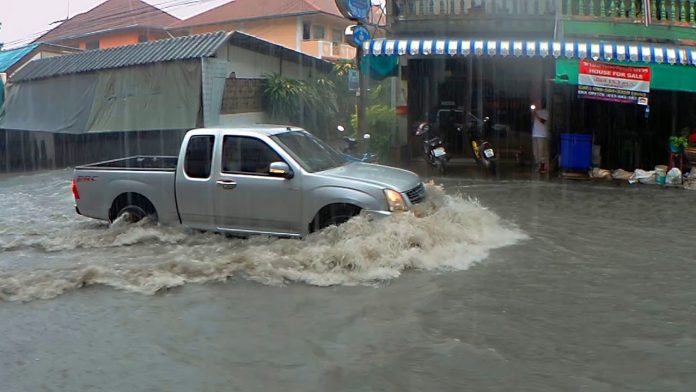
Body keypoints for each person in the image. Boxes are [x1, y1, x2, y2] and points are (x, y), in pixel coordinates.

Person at [532, 104, 550, 173]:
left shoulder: (545, 112)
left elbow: (543, 121)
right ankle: (538, 165)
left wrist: (536, 115)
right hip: (535, 134)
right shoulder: (535, 111)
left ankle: (544, 166)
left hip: (542, 135)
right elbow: (533, 121)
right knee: (535, 152)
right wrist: (533, 114)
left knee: (542, 151)